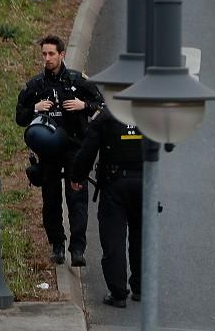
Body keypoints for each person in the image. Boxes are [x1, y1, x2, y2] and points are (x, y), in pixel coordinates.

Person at [14, 35, 102, 267]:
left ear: (61, 54)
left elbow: (101, 106)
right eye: (44, 54)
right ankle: (57, 245)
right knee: (50, 200)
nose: (47, 58)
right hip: (49, 151)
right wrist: (35, 108)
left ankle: (78, 248)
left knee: (77, 199)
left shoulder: (77, 80)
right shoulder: (36, 85)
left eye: (52, 54)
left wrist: (83, 106)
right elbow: (19, 117)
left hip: (75, 148)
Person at [69, 108, 146, 309]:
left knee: (113, 238)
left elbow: (88, 150)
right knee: (141, 236)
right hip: (145, 183)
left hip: (115, 184)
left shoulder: (106, 116)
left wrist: (77, 176)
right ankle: (140, 287)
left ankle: (118, 292)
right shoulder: (149, 111)